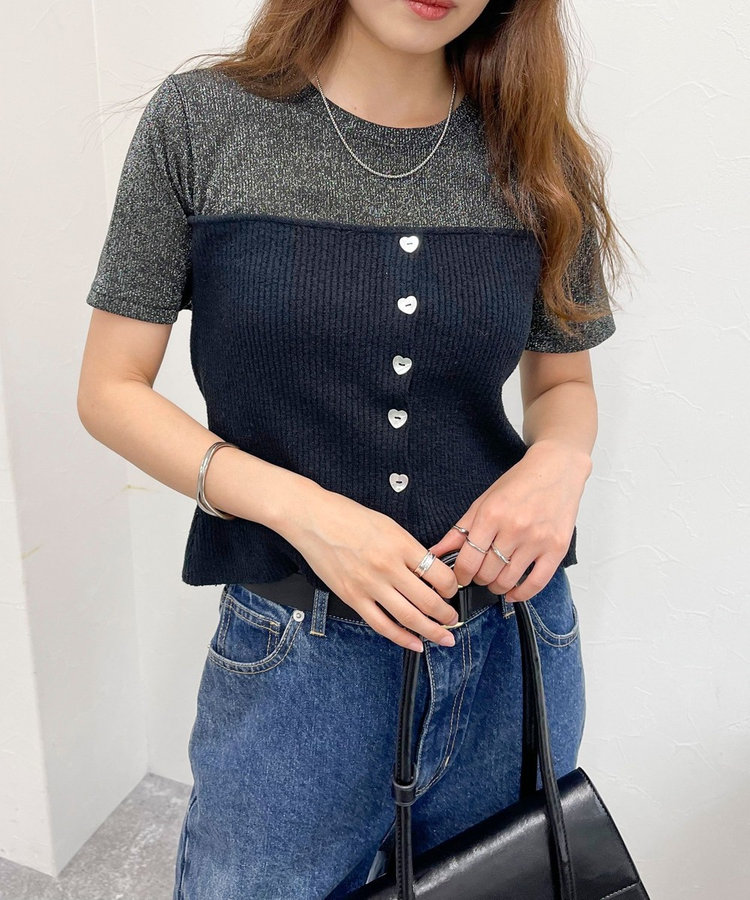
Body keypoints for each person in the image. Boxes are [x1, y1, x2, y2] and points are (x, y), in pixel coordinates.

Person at [77, 1, 629, 897]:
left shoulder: (539, 154)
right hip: (297, 666)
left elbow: (563, 385)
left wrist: (558, 465)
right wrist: (309, 514)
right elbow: (110, 390)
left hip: (511, 650)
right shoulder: (202, 122)